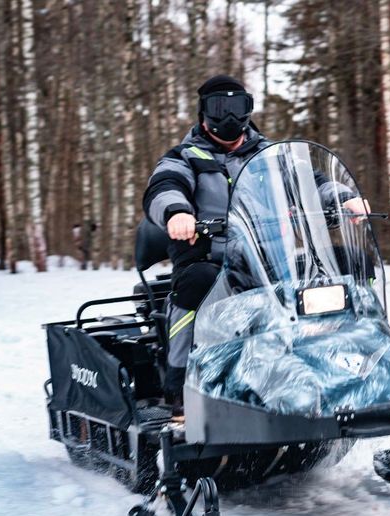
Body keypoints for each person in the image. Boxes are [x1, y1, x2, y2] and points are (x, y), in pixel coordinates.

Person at [142, 74, 367, 421]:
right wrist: (177, 212)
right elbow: (165, 185)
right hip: (210, 259)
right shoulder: (185, 156)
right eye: (221, 107)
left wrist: (343, 198)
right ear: (205, 112)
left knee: (343, 265)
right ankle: (182, 386)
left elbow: (310, 181)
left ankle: (347, 370)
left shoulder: (271, 155)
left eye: (238, 105)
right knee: (197, 282)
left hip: (268, 260)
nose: (230, 116)